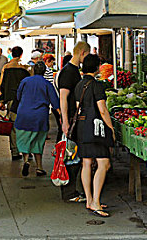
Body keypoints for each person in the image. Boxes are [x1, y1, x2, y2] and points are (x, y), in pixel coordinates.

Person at [74, 54, 115, 217]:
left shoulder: (79, 85)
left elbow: (78, 108)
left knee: (86, 163)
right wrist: (111, 129)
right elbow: (103, 110)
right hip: (96, 128)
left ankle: (89, 200)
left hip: (82, 127)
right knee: (103, 163)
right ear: (96, 67)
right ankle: (96, 202)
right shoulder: (97, 86)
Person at [58, 41, 90, 203]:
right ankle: (69, 192)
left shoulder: (73, 71)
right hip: (70, 119)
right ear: (82, 53)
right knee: (71, 155)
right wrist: (65, 121)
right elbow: (63, 97)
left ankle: (71, 190)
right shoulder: (69, 72)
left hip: (73, 118)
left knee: (73, 154)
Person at [15, 62, 60, 177]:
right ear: (45, 71)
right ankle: (39, 167)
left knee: (24, 139)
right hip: (40, 117)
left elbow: (18, 96)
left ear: (34, 70)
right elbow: (55, 103)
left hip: (24, 115)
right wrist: (61, 116)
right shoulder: (47, 84)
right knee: (38, 141)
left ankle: (26, 161)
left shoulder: (25, 81)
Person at [0, 46, 31, 160]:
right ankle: (27, 151)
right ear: (21, 54)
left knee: (14, 126)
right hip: (25, 100)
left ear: (11, 54)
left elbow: (1, 85)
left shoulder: (6, 68)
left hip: (12, 100)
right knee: (26, 125)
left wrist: (1, 100)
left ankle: (15, 152)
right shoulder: (26, 68)